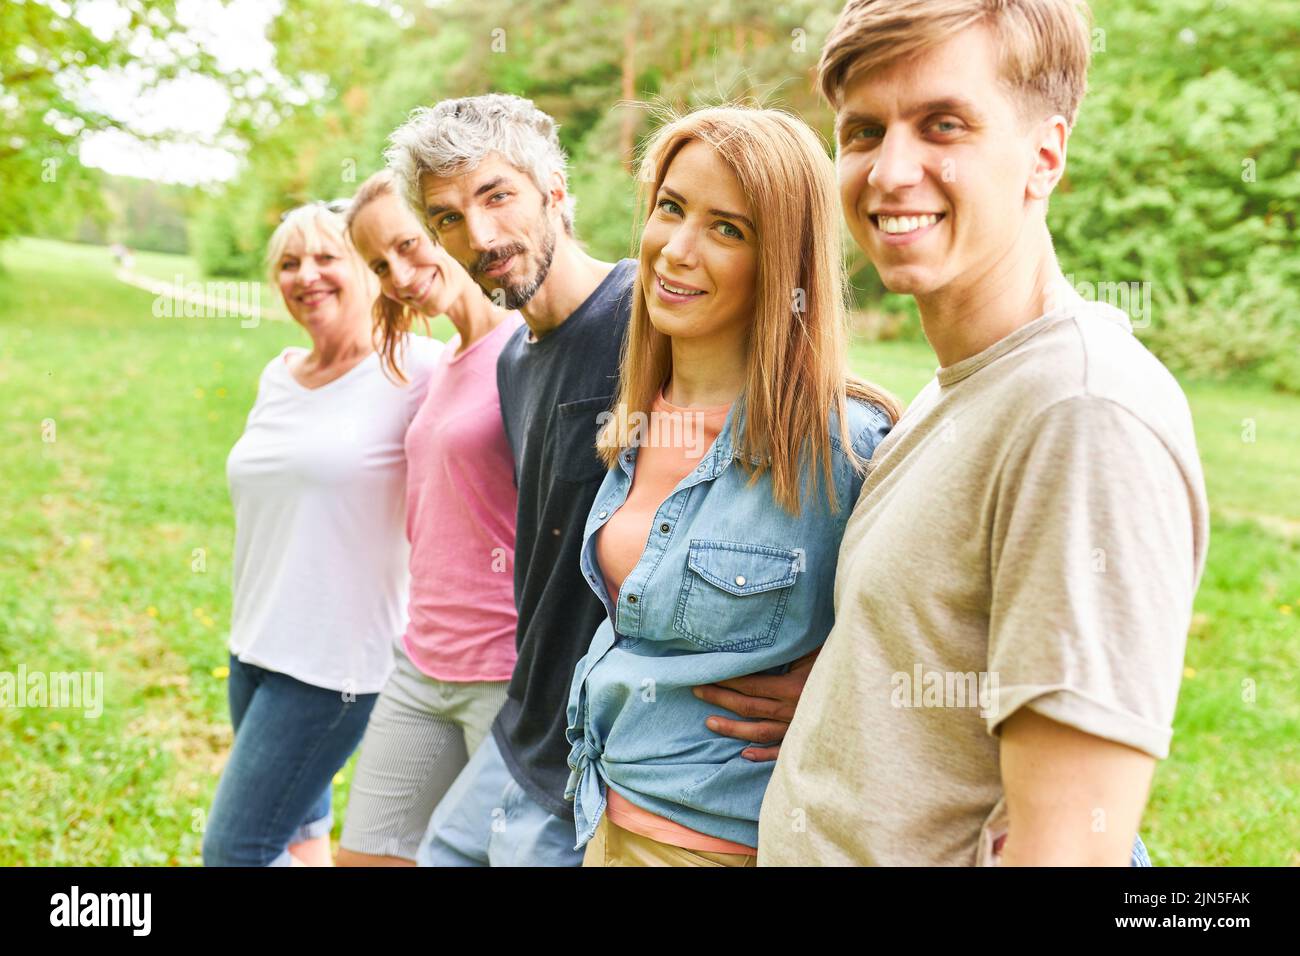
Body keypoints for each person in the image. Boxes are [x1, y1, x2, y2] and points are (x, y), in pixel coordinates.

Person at [759, 0, 1209, 866]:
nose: (891, 171)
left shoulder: (1081, 415)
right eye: (862, 131)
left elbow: (1067, 850)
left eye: (943, 124)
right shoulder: (959, 388)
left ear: (1045, 155)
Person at [386, 93, 823, 866]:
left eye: (497, 196)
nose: (480, 236)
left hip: (646, 772)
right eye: (447, 217)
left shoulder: (651, 316)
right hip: (536, 726)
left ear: (555, 188)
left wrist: (829, 680)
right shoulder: (516, 360)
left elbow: (797, 480)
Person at [564, 106, 898, 867]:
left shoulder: (844, 448)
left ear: (783, 263)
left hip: (732, 843)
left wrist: (837, 690)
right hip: (608, 818)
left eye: (727, 229)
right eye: (671, 209)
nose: (677, 251)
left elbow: (957, 643)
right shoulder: (640, 421)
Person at [203, 201, 441, 866]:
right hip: (253, 649)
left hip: (334, 668)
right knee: (301, 839)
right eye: (288, 263)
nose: (306, 275)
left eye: (326, 257)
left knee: (235, 850)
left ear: (368, 270)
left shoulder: (419, 371)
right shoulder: (277, 376)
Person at [334, 170, 523, 866]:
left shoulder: (526, 351)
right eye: (381, 265)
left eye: (410, 246)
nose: (402, 276)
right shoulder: (443, 360)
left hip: (505, 676)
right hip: (421, 660)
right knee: (366, 855)